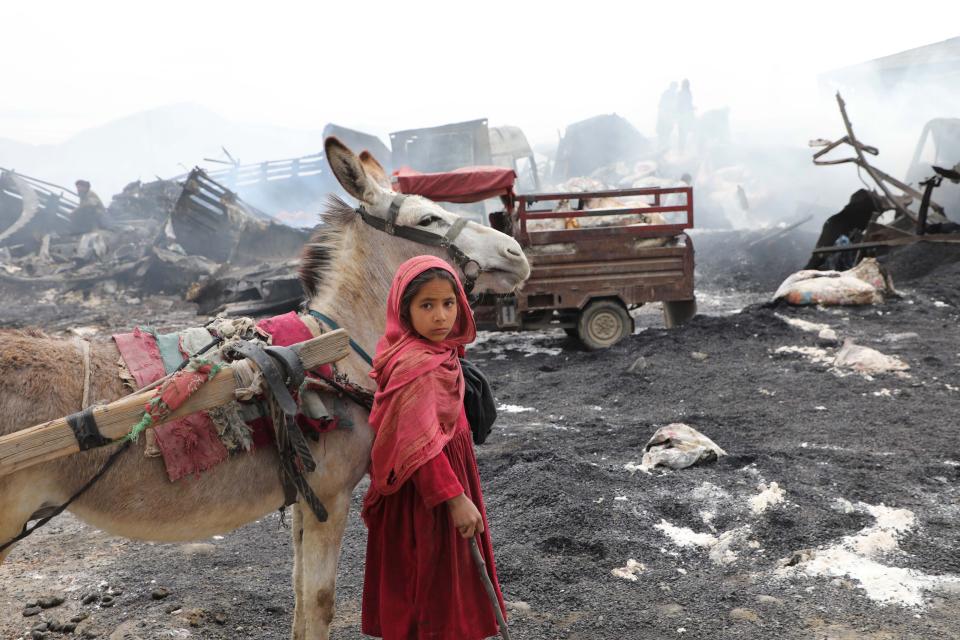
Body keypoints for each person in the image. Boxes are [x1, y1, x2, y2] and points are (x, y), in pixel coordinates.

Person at [361, 255, 506, 640]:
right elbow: (417, 445)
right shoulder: (414, 365)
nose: (441, 316)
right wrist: (455, 499)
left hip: (443, 479)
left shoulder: (441, 354)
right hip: (425, 495)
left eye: (448, 303)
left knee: (437, 581)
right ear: (404, 311)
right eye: (427, 305)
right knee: (428, 582)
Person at [656, 81, 678, 151]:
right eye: (674, 86)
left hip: (668, 116)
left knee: (667, 131)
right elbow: (661, 105)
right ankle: (661, 147)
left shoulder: (674, 94)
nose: (675, 88)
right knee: (663, 131)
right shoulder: (667, 94)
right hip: (665, 115)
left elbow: (675, 106)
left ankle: (663, 147)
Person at [676, 79, 695, 154]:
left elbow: (688, 104)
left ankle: (682, 150)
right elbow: (679, 105)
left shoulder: (688, 93)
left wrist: (691, 108)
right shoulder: (681, 93)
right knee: (682, 134)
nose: (688, 86)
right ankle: (681, 150)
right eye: (687, 84)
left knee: (685, 133)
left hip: (687, 116)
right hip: (683, 116)